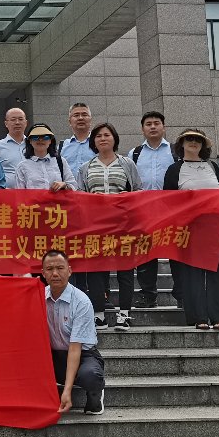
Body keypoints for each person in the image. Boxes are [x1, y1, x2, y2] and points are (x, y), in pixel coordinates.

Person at [163, 129, 219, 330]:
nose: (193, 142)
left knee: (218, 270)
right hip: (188, 227)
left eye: (198, 140)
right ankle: (198, 316)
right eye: (189, 139)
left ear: (203, 145)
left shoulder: (213, 167)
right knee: (191, 271)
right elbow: (167, 201)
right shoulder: (174, 169)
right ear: (181, 144)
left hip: (215, 225)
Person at [76, 123, 142, 332]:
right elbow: (79, 196)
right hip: (95, 226)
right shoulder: (85, 167)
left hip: (123, 224)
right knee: (96, 270)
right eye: (98, 136)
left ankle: (124, 314)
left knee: (125, 269)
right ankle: (99, 316)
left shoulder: (127, 164)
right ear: (93, 141)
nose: (103, 139)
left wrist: (127, 198)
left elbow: (138, 191)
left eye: (107, 135)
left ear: (114, 139)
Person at [41, 250, 106, 415]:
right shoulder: (39, 297)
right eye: (49, 269)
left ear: (69, 271)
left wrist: (67, 391)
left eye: (60, 268)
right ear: (43, 273)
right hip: (53, 355)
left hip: (83, 354)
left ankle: (95, 396)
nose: (55, 273)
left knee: (90, 376)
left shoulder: (81, 301)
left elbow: (75, 348)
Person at [128, 111, 175, 309]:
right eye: (148, 124)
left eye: (157, 123)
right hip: (144, 211)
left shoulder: (175, 150)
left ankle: (182, 294)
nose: (153, 127)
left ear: (164, 127)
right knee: (145, 254)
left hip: (171, 210)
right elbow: (130, 182)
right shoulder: (135, 153)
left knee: (176, 252)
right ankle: (148, 295)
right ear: (142, 129)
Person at [14, 123, 77, 191]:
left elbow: (74, 186)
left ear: (50, 141)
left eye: (45, 137)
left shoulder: (61, 161)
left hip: (58, 198)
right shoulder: (22, 166)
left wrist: (64, 185)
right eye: (35, 137)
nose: (40, 140)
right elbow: (19, 193)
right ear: (30, 141)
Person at [0, 107, 29, 188]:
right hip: (8, 193)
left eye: (20, 119)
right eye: (13, 120)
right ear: (6, 123)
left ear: (26, 123)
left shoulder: (33, 145)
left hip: (33, 192)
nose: (17, 122)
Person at [59, 102, 95, 177]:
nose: (80, 118)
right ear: (70, 122)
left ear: (90, 120)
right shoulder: (62, 146)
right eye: (76, 115)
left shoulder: (99, 144)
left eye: (84, 115)